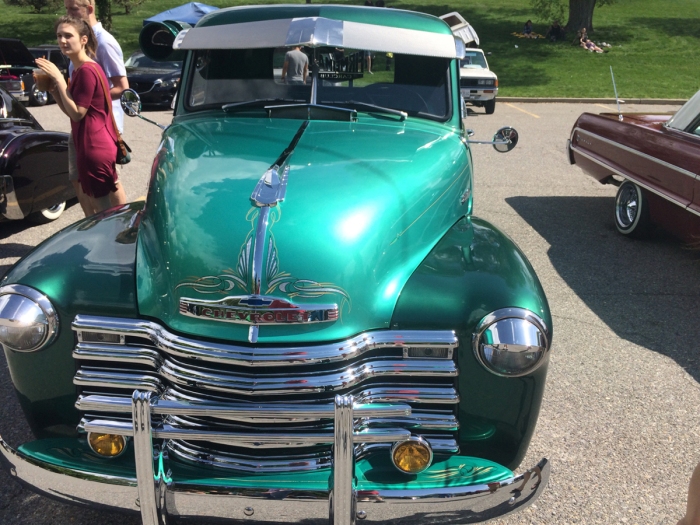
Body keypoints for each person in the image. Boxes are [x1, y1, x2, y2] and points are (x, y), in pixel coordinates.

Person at [36, 16, 120, 214]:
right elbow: (71, 110)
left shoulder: (86, 71)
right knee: (99, 205)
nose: (63, 41)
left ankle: (110, 244)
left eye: (68, 35)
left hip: (94, 147)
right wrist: (55, 90)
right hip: (93, 144)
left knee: (102, 210)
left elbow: (77, 114)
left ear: (83, 39)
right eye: (59, 36)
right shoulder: (85, 68)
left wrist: (58, 77)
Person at [64, 0, 128, 216]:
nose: (69, 14)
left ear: (89, 9)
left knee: (110, 183)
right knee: (77, 179)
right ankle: (91, 224)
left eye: (73, 9)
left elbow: (121, 87)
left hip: (102, 126)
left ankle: (120, 224)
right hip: (81, 123)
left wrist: (88, 98)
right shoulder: (73, 42)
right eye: (66, 9)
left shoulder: (104, 42)